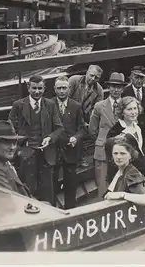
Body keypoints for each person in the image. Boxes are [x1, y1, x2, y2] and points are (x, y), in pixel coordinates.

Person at [8, 75, 64, 204]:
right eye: (34, 88)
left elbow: (59, 128)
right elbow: (10, 129)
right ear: (28, 88)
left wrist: (50, 138)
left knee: (47, 192)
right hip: (26, 154)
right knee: (28, 190)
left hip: (46, 155)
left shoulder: (50, 105)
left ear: (44, 88)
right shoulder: (19, 105)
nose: (37, 91)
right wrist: (21, 145)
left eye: (40, 88)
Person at [89, 72, 126, 199]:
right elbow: (92, 129)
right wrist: (102, 140)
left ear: (122, 89)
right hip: (102, 151)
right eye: (113, 86)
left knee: (120, 182)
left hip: (121, 150)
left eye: (119, 87)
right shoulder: (99, 106)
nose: (116, 90)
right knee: (102, 184)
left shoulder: (127, 106)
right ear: (109, 87)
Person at [51, 76, 86, 209]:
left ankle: (71, 211)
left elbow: (82, 129)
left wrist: (76, 138)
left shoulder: (76, 106)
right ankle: (52, 211)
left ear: (69, 89)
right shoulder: (48, 104)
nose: (61, 91)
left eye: (64, 88)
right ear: (54, 89)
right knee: (51, 185)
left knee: (70, 185)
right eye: (59, 88)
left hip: (70, 151)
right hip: (53, 151)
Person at [106, 96, 145, 180]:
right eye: (129, 109)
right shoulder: (115, 131)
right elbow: (113, 160)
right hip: (126, 176)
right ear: (122, 112)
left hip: (141, 172)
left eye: (135, 108)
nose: (133, 112)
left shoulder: (139, 126)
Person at [103, 136, 145, 207]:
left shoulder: (131, 173)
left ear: (130, 156)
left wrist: (122, 194)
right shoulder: (119, 171)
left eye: (122, 153)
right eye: (115, 153)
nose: (118, 157)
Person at [122, 66, 145, 151]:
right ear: (131, 77)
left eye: (142, 78)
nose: (139, 81)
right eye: (136, 77)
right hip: (131, 134)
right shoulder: (125, 92)